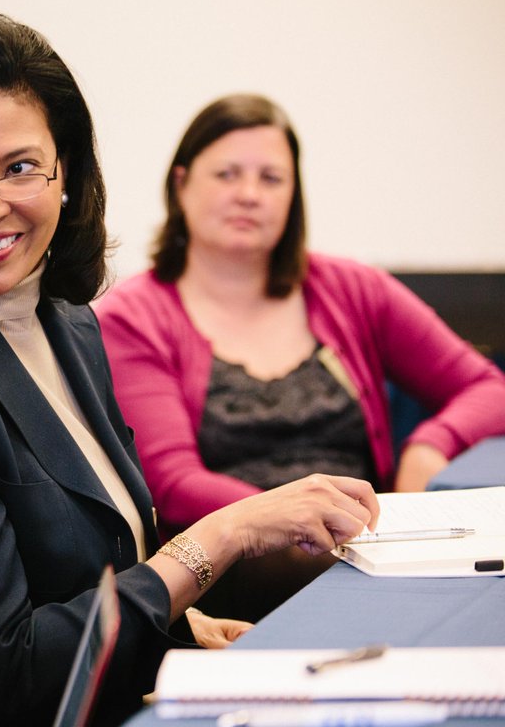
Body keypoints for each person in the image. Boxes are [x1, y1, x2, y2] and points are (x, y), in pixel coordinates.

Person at [0, 13, 377, 727]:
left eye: (19, 167)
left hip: (84, 723)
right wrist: (228, 535)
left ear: (67, 171)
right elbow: (6, 677)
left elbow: (83, 565)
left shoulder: (63, 321)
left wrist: (178, 627)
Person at [94, 93, 505, 621]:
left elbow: (488, 387)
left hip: (365, 552)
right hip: (233, 578)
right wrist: (289, 518)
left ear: (293, 194)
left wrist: (429, 444)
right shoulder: (134, 316)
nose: (248, 194)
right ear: (181, 185)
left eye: (271, 178)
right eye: (226, 174)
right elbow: (174, 483)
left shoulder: (352, 289)